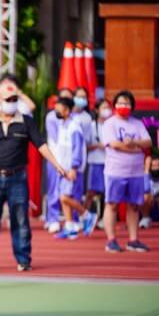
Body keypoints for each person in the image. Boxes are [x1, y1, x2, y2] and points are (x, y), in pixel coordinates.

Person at [0, 81, 65, 271]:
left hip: (18, 178)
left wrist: (56, 164)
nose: (12, 102)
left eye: (15, 99)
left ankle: (23, 259)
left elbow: (41, 145)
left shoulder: (26, 121)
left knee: (20, 220)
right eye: (8, 99)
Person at [102, 90, 152, 253]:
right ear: (115, 105)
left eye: (127, 103)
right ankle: (111, 240)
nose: (124, 106)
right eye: (121, 103)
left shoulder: (137, 124)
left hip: (135, 172)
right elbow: (114, 144)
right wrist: (133, 148)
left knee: (134, 206)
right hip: (115, 171)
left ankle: (133, 240)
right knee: (112, 205)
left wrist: (134, 143)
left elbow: (148, 142)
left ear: (132, 106)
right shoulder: (110, 123)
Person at [52, 97, 97, 239]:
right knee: (63, 198)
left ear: (66, 110)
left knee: (65, 197)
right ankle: (70, 227)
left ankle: (87, 215)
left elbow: (77, 148)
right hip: (63, 168)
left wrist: (74, 167)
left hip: (72, 168)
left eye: (58, 109)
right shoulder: (63, 124)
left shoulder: (74, 126)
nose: (56, 111)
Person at [44, 88, 74, 234]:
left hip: (68, 161)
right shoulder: (51, 117)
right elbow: (55, 140)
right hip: (54, 158)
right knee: (53, 189)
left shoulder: (73, 120)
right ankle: (53, 219)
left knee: (68, 191)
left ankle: (71, 220)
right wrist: (57, 161)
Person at [83, 99, 113, 225]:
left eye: (108, 107)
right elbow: (84, 145)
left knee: (108, 193)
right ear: (96, 110)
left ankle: (104, 219)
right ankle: (84, 216)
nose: (107, 110)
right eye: (103, 107)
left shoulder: (112, 125)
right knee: (91, 192)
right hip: (95, 162)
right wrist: (97, 146)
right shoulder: (91, 125)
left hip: (110, 163)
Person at [139, 157, 159, 229]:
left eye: (158, 165)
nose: (156, 168)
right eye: (153, 166)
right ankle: (146, 218)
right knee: (145, 196)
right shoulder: (145, 176)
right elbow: (146, 189)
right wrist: (146, 169)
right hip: (149, 208)